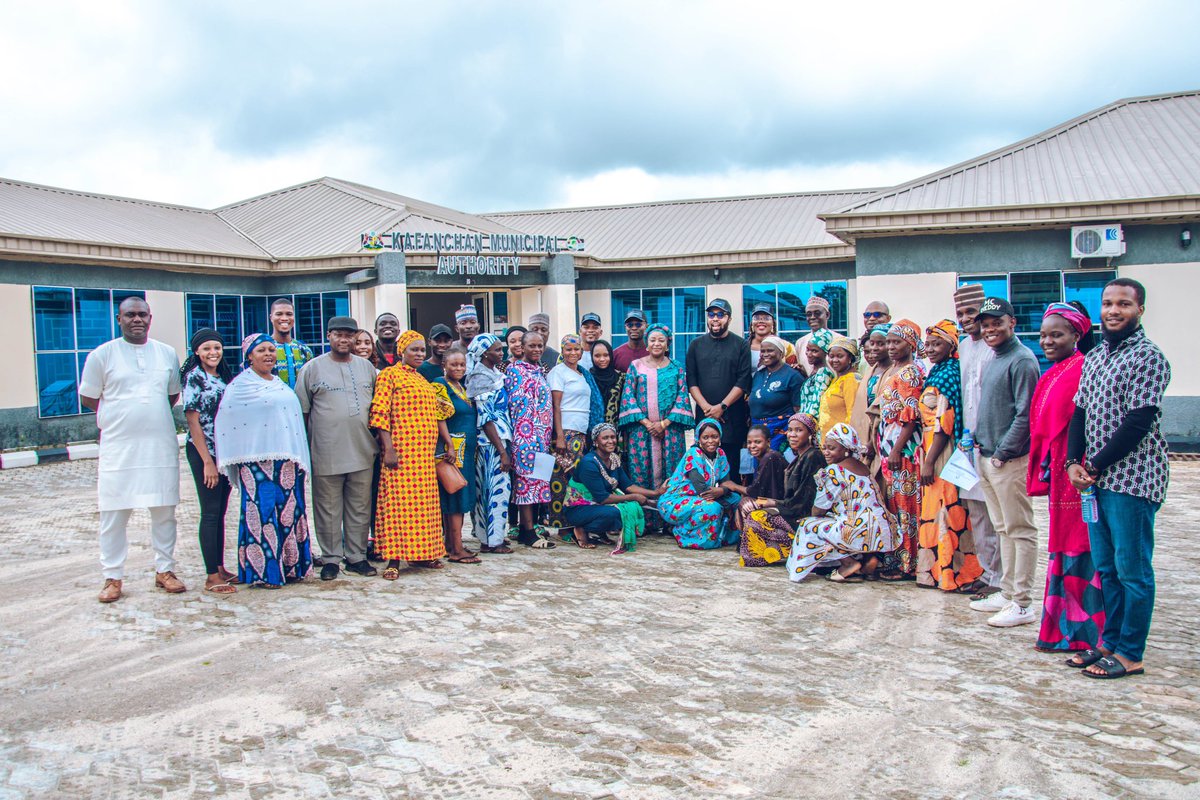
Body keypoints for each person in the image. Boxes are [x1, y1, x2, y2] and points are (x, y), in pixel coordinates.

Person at [1068, 278, 1171, 680]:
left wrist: (1094, 465)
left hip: (1133, 481)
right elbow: (1080, 412)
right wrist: (1073, 462)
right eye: (1108, 303)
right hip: (1095, 482)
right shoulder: (1095, 357)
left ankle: (1131, 653)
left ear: (1139, 310)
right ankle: (1109, 642)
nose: (1113, 310)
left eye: (1124, 304)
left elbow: (1138, 422)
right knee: (1107, 569)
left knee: (1133, 571)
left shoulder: (1149, 357)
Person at [80, 297, 185, 603]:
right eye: (130, 315)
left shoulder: (166, 353)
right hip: (119, 448)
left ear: (150, 318)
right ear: (119, 319)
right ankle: (112, 577)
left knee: (164, 511)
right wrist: (119, 415)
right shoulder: (102, 355)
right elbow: (89, 397)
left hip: (159, 446)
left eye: (142, 314)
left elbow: (171, 395)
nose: (137, 319)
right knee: (113, 514)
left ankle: (165, 570)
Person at [1027, 303, 1103, 652]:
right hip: (1060, 473)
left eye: (1056, 335)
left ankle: (1086, 634)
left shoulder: (1083, 369)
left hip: (1078, 473)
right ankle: (1059, 631)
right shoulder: (1055, 372)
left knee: (1081, 545)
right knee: (1063, 544)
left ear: (1076, 335)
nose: (1047, 341)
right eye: (1044, 335)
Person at [214, 334, 314, 588]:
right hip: (257, 464)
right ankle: (265, 573)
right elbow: (227, 422)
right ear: (249, 355)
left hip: (286, 462)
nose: (269, 354)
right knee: (262, 515)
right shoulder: (240, 387)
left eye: (271, 350)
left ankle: (291, 566)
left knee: (289, 513)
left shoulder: (279, 384)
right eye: (262, 350)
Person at [968, 297, 1041, 627]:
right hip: (987, 456)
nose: (989, 329)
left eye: (996, 322)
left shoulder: (1022, 360)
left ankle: (1022, 602)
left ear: (1012, 322)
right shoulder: (995, 358)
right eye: (985, 325)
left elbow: (1026, 415)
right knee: (1003, 529)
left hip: (1008, 461)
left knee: (1020, 530)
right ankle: (1007, 592)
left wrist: (1002, 453)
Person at [296, 316, 379, 581]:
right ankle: (331, 558)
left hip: (363, 449)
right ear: (329, 336)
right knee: (328, 507)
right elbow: (302, 412)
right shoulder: (312, 369)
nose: (344, 339)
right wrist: (304, 450)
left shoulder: (367, 368)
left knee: (359, 507)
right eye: (338, 334)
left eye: (349, 335)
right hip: (326, 450)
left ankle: (356, 557)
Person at [370, 329, 457, 579]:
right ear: (402, 351)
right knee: (398, 506)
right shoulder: (390, 375)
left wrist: (446, 443)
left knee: (424, 507)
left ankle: (423, 554)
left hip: (423, 455)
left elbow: (438, 414)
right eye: (414, 350)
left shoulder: (421, 379)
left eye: (421, 350)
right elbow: (380, 413)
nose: (419, 354)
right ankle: (394, 559)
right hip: (401, 453)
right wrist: (388, 448)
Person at [916, 320, 982, 591]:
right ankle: (935, 571)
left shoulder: (949, 374)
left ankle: (951, 572)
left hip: (941, 450)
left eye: (937, 344)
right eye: (928, 344)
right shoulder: (938, 371)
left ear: (951, 345)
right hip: (930, 446)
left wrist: (930, 461)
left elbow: (945, 422)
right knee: (935, 509)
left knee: (946, 508)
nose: (931, 349)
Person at [786, 423, 900, 582]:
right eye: (825, 447)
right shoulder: (863, 467)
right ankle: (869, 559)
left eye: (832, 448)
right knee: (845, 519)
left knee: (808, 525)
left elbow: (818, 509)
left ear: (846, 449)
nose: (826, 452)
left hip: (858, 529)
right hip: (883, 528)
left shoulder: (833, 471)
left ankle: (848, 563)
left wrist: (816, 517)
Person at [953, 284, 1001, 600]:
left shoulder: (996, 347)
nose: (965, 319)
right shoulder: (964, 348)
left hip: (994, 446)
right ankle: (988, 572)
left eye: (971, 312)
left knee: (998, 515)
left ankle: (1002, 579)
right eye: (960, 313)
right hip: (967, 445)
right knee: (978, 513)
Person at [181, 328, 236, 594]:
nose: (213, 353)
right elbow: (193, 421)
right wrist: (207, 462)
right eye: (207, 349)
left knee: (221, 512)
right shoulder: (195, 377)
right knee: (210, 512)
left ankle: (220, 567)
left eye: (217, 348)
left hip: (223, 452)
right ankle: (211, 576)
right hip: (204, 451)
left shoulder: (222, 376)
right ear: (197, 352)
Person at [735, 413, 826, 567]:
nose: (792, 434)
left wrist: (774, 503)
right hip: (791, 509)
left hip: (802, 516)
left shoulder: (813, 457)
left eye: (799, 430)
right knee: (753, 511)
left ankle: (790, 546)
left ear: (810, 433)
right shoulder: (800, 457)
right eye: (790, 430)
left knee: (755, 515)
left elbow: (803, 502)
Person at [876, 320, 927, 580]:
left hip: (904, 451)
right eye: (889, 342)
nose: (891, 347)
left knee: (906, 507)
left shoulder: (910, 373)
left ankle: (908, 563)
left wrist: (896, 450)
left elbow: (910, 417)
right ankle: (897, 558)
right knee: (895, 506)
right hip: (890, 445)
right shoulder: (895, 370)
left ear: (911, 344)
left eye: (897, 342)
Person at [563, 423, 660, 552]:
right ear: (596, 442)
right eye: (605, 438)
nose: (610, 441)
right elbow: (603, 498)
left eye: (613, 437)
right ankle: (581, 528)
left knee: (632, 508)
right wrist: (634, 497)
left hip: (597, 506)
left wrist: (656, 493)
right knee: (617, 513)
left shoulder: (613, 458)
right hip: (578, 509)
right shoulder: (589, 463)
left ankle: (599, 532)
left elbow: (628, 486)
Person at [619, 324, 694, 488]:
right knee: (640, 470)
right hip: (641, 430)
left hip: (670, 430)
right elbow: (628, 397)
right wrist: (648, 424)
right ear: (647, 344)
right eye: (652, 340)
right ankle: (644, 503)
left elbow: (682, 397)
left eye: (661, 340)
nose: (657, 343)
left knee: (672, 472)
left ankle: (671, 501)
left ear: (667, 344)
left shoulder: (676, 367)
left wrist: (663, 424)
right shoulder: (636, 366)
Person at [657, 418, 742, 549]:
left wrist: (722, 490)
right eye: (705, 437)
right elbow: (702, 490)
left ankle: (724, 536)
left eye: (714, 437)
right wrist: (723, 495)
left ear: (720, 437)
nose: (710, 441)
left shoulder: (720, 454)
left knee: (737, 500)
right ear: (698, 439)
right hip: (676, 500)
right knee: (713, 508)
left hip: (700, 497)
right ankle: (681, 532)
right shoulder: (694, 454)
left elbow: (727, 483)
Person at [506, 331, 557, 548]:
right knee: (525, 483)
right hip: (524, 436)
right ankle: (527, 532)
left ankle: (530, 528)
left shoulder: (540, 371)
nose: (537, 349)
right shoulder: (514, 370)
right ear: (522, 347)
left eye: (540, 346)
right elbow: (515, 404)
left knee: (537, 482)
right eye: (532, 346)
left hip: (541, 437)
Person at [465, 333, 515, 555]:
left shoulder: (492, 373)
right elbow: (485, 419)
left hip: (500, 439)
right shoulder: (479, 377)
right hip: (491, 443)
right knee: (494, 491)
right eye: (496, 350)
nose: (501, 353)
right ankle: (492, 541)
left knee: (492, 489)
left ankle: (492, 537)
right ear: (484, 353)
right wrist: (502, 451)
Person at [685, 298, 752, 460]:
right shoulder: (695, 345)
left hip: (732, 418)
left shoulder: (741, 345)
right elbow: (692, 381)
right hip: (704, 416)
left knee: (732, 466)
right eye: (711, 314)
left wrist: (722, 406)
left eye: (720, 315)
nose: (715, 318)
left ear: (729, 318)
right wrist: (707, 409)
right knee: (703, 464)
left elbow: (743, 381)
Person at [434, 350, 480, 564]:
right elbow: (439, 417)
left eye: (462, 364)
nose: (459, 368)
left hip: (466, 449)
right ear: (444, 364)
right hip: (454, 448)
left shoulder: (461, 387)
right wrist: (449, 445)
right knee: (455, 495)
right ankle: (456, 550)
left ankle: (451, 544)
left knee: (459, 493)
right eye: (454, 364)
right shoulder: (440, 385)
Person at [548, 333, 595, 531]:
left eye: (576, 349)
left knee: (573, 480)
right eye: (568, 349)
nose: (573, 353)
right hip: (566, 432)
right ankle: (562, 526)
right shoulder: (558, 372)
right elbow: (556, 406)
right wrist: (559, 436)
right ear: (562, 351)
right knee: (561, 479)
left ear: (582, 351)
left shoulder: (582, 374)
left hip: (579, 433)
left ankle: (573, 523)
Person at [747, 335, 804, 450]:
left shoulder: (793, 375)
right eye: (763, 351)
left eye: (770, 350)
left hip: (780, 430)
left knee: (774, 459)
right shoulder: (758, 374)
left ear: (781, 354)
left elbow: (798, 409)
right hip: (757, 430)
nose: (765, 354)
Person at [851, 324, 893, 479]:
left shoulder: (893, 372)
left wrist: (873, 441)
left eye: (880, 344)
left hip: (881, 437)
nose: (874, 348)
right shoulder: (871, 370)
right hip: (863, 435)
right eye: (872, 343)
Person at [818, 335, 860, 442]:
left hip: (841, 442)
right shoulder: (836, 379)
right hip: (829, 442)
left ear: (850, 358)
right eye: (831, 356)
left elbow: (853, 414)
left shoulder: (851, 380)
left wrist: (847, 441)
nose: (834, 360)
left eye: (840, 356)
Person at [268, 297, 314, 388]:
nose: (284, 318)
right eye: (279, 314)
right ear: (271, 318)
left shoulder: (305, 350)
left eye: (289, 314)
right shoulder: (263, 350)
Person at [796, 328, 835, 418]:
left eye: (814, 351)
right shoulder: (815, 371)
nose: (809, 354)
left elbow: (816, 405)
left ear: (825, 352)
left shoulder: (823, 373)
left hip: (811, 422)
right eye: (807, 349)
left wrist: (805, 422)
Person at [747, 303, 798, 369]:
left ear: (773, 323)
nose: (761, 321)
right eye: (756, 318)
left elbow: (793, 371)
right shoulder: (743, 346)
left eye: (766, 318)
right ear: (752, 323)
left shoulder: (787, 347)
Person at [589, 339, 623, 427]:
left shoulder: (621, 378)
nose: (602, 359)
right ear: (592, 357)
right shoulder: (587, 378)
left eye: (606, 355)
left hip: (616, 429)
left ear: (611, 355)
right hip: (592, 428)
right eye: (597, 356)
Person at [795, 295, 831, 375]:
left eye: (817, 313)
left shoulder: (839, 340)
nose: (812, 317)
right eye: (809, 314)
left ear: (827, 315)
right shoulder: (800, 342)